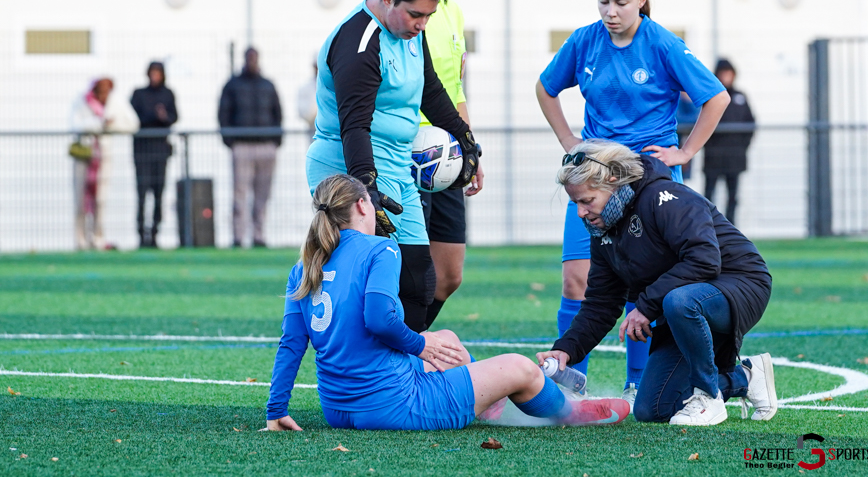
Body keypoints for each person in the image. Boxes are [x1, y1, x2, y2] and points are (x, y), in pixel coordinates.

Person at [264, 174, 630, 431]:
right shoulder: (381, 248)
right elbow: (378, 319)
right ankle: (570, 413)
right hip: (393, 406)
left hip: (338, 409)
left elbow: (292, 344)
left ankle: (490, 404)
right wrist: (421, 345)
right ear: (362, 205)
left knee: (449, 340)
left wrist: (275, 410)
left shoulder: (306, 264)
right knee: (521, 368)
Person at [535, 0, 731, 404]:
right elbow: (545, 88)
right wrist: (569, 140)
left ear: (641, 1)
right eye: (603, 0)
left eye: (621, 2)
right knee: (576, 281)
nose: (610, 11)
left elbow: (714, 98)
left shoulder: (662, 43)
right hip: (592, 180)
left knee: (643, 284)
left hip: (647, 182)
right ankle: (567, 382)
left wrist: (685, 151)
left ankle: (639, 379)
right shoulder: (584, 41)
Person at [537, 139, 776, 426]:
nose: (581, 212)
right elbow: (602, 302)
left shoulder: (664, 196)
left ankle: (708, 396)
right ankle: (745, 377)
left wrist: (647, 307)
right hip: (683, 300)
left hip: (740, 282)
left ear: (613, 181)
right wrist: (566, 348)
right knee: (654, 410)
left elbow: (704, 260)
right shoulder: (602, 231)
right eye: (575, 202)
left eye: (587, 201)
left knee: (680, 301)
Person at [305, 0, 481, 333]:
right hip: (348, 171)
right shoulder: (359, 41)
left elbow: (431, 92)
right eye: (416, 15)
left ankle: (404, 377)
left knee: (418, 280)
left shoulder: (412, 35)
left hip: (397, 170)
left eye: (429, 17)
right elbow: (355, 126)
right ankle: (358, 372)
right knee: (371, 282)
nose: (422, 25)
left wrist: (468, 143)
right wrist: (364, 191)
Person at [397, 0, 484, 329]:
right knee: (411, 271)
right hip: (406, 152)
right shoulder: (391, 12)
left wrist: (471, 150)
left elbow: (455, 89)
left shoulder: (452, 12)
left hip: (447, 152)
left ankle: (407, 344)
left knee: (448, 276)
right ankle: (396, 360)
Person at [217, 47, 283, 248]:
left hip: (266, 145)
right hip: (242, 145)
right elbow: (223, 113)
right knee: (240, 194)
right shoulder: (232, 85)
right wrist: (231, 140)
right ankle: (238, 237)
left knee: (263, 194)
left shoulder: (268, 85)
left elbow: (277, 113)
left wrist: (275, 140)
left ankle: (258, 235)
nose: (252, 61)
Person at [69, 77, 139, 251]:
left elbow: (132, 124)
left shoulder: (116, 102)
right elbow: (76, 125)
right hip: (84, 156)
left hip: (103, 157)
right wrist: (99, 124)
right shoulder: (81, 101)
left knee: (100, 199)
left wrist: (108, 126)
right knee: (80, 200)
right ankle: (81, 240)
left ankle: (98, 238)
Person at [131, 61, 178, 248]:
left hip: (161, 151)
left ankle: (156, 231)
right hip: (142, 151)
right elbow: (132, 118)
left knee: (159, 193)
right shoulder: (139, 94)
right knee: (142, 193)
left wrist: (163, 117)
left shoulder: (168, 94)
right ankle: (141, 233)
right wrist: (153, 117)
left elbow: (173, 117)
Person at [703, 59, 756, 225]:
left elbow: (750, 124)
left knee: (733, 195)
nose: (726, 77)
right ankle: (707, 227)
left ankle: (730, 229)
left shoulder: (741, 97)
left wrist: (741, 147)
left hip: (735, 157)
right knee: (708, 194)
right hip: (713, 156)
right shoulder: (710, 96)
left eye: (729, 73)